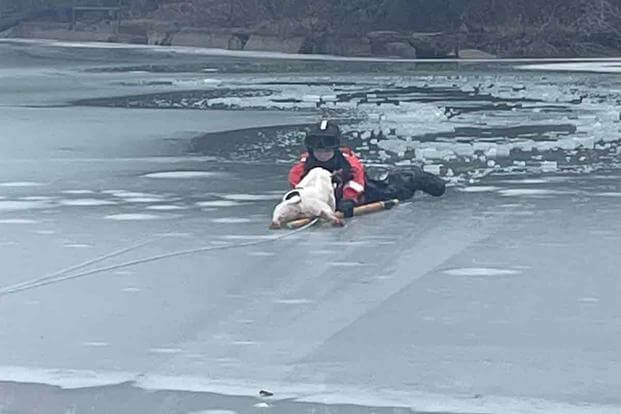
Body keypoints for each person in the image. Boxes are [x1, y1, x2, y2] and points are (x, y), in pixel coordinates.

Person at [288, 120, 446, 218]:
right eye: (319, 150)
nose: (323, 154)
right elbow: (300, 191)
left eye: (327, 150)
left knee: (393, 191)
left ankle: (412, 176)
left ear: (335, 148)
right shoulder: (299, 170)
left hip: (361, 194)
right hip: (330, 199)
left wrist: (348, 200)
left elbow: (356, 183)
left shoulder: (350, 163)